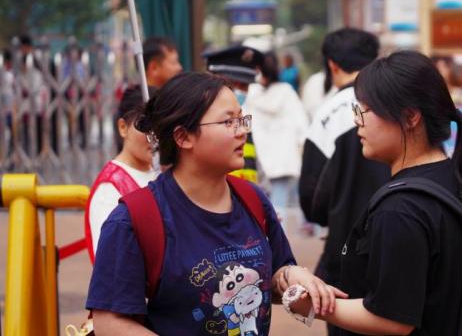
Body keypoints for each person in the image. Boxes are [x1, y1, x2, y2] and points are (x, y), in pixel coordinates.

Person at [86, 72, 344, 334]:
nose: (242, 131)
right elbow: (109, 323)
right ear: (183, 137)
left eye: (242, 118)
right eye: (228, 121)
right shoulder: (133, 219)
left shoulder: (253, 199)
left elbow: (274, 275)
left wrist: (291, 276)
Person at [289, 51, 462, 335]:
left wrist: (312, 304)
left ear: (410, 117)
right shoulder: (451, 176)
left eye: (365, 110)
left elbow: (392, 320)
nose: (357, 121)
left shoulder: (400, 209)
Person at [298, 28, 390, 320]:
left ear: (332, 65)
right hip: (400, 247)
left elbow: (311, 198)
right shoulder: (396, 104)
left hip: (346, 254)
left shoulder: (328, 114)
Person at [85, 85, 158, 262]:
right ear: (123, 127)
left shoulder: (162, 173)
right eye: (145, 126)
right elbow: (110, 264)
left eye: (160, 126)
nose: (154, 136)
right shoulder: (110, 189)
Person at [245, 52, 308, 225]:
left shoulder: (251, 94)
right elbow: (302, 124)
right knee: (280, 205)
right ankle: (278, 237)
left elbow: (245, 123)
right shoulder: (287, 92)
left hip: (261, 160)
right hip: (285, 158)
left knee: (263, 204)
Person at [203, 45, 264, 184]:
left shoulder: (243, 126)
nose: (240, 91)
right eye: (233, 84)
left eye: (245, 86)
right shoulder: (202, 127)